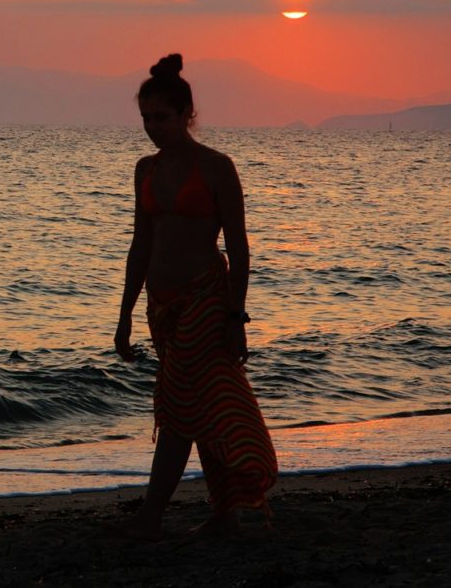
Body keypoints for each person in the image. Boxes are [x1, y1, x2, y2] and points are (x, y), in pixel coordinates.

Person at [114, 53, 277, 540]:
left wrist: (236, 315)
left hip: (207, 297)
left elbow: (240, 246)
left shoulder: (216, 168)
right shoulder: (145, 169)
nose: (151, 127)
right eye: (145, 118)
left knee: (180, 404)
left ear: (187, 114)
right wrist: (123, 316)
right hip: (162, 307)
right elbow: (140, 246)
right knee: (199, 404)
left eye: (160, 117)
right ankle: (224, 514)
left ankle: (150, 515)